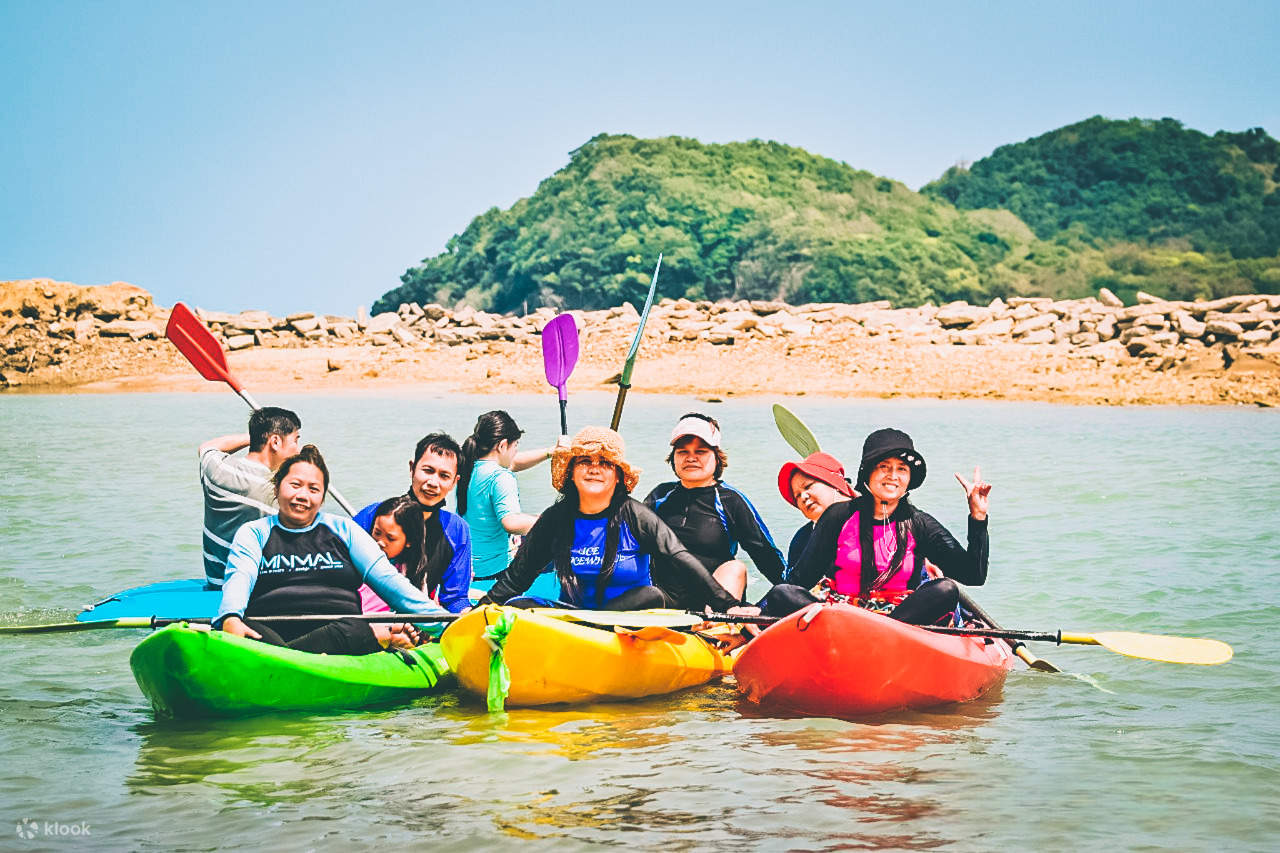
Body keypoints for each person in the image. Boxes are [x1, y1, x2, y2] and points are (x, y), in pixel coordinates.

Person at [477, 426, 741, 612]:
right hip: (573, 616)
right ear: (571, 472)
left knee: (650, 595)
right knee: (518, 604)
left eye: (604, 463)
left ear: (617, 476)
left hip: (627, 617)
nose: (594, 468)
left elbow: (680, 560)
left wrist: (728, 605)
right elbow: (517, 578)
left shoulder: (636, 516)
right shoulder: (556, 519)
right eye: (585, 461)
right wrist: (482, 608)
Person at [214, 445, 447, 655]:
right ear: (277, 488)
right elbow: (239, 577)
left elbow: (390, 582)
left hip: (340, 636)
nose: (302, 496)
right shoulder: (254, 532)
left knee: (356, 628)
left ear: (322, 497)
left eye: (313, 489)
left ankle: (285, 658)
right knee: (247, 628)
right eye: (295, 485)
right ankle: (304, 656)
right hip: (269, 631)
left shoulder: (345, 530)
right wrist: (231, 616)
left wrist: (445, 625)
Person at [755, 428, 992, 626]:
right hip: (841, 617)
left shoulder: (920, 523)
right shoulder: (838, 516)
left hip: (897, 623)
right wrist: (757, 615)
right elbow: (797, 582)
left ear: (909, 478)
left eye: (902, 469)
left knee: (945, 589)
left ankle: (877, 632)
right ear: (868, 472)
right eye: (884, 467)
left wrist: (978, 517)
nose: (893, 476)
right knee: (782, 593)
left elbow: (973, 575)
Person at [644, 413, 785, 598]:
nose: (691, 458)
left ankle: (716, 617)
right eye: (683, 452)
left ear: (717, 458)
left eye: (701, 451)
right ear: (673, 458)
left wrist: (794, 592)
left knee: (735, 568)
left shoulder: (730, 500)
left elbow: (765, 553)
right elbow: (628, 539)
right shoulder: (660, 495)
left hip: (714, 600)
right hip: (664, 600)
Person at [353, 433, 472, 612]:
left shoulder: (456, 530)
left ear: (455, 482)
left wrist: (468, 614)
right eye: (428, 470)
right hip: (363, 616)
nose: (433, 482)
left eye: (444, 476)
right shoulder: (375, 515)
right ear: (412, 468)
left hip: (415, 621)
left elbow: (455, 599)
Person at [198, 407, 301, 589]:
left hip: (217, 584)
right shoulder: (278, 494)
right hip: (256, 590)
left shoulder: (216, 469)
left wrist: (255, 437)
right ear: (275, 442)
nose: (298, 450)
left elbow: (206, 447)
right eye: (295, 441)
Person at [455, 410, 561, 581]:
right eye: (516, 445)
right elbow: (511, 522)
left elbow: (514, 462)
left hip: (466, 566)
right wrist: (552, 521)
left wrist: (551, 451)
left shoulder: (469, 466)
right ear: (502, 446)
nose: (516, 452)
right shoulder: (501, 477)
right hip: (493, 570)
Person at [776, 451, 856, 567]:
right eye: (797, 496)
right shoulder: (802, 540)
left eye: (808, 486)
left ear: (833, 483)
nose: (803, 497)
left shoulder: (875, 515)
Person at [358, 495, 428, 613]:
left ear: (409, 541)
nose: (380, 542)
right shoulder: (358, 557)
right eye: (377, 533)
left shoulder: (414, 573)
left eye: (390, 538)